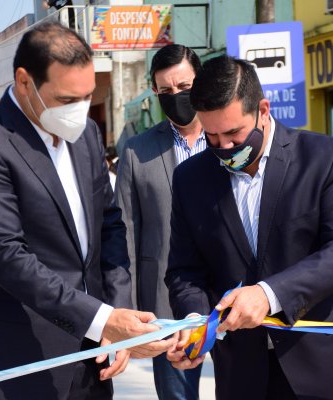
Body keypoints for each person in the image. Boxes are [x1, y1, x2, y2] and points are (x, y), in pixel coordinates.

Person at [0, 22, 173, 400]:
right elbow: (7, 256)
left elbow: (109, 225)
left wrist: (116, 315)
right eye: (67, 100)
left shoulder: (85, 135)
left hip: (93, 359)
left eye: (86, 97)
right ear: (24, 82)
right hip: (20, 358)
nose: (79, 110)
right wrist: (103, 321)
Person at [165, 55, 333, 400]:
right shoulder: (190, 179)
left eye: (233, 133)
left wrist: (268, 294)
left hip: (331, 368)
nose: (224, 148)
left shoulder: (323, 157)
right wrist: (195, 324)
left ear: (264, 110)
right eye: (211, 136)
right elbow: (185, 270)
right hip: (244, 375)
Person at [115, 44, 204, 400]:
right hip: (166, 305)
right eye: (166, 91)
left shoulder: (228, 140)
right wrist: (128, 311)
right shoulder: (137, 152)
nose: (176, 97)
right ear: (154, 91)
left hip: (230, 297)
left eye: (184, 87)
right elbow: (124, 235)